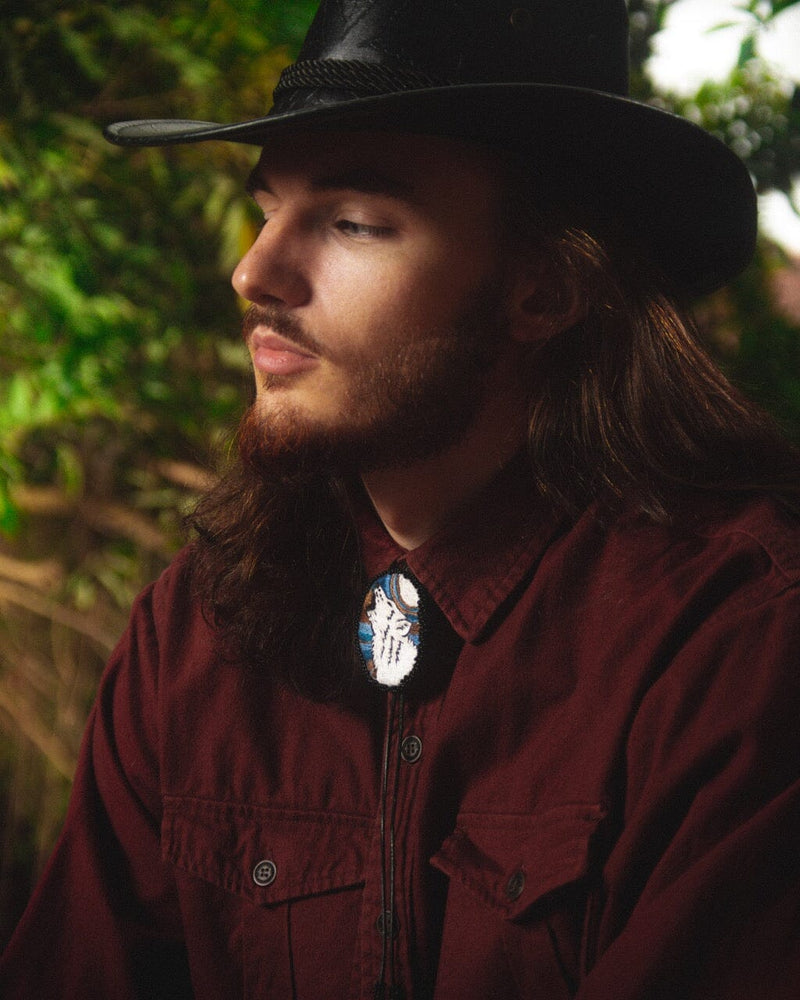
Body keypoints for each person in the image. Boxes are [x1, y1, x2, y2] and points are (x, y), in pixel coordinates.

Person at [3, 0, 800, 997]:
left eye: (352, 222)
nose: (255, 272)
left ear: (543, 291)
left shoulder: (734, 639)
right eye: (268, 208)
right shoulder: (195, 633)